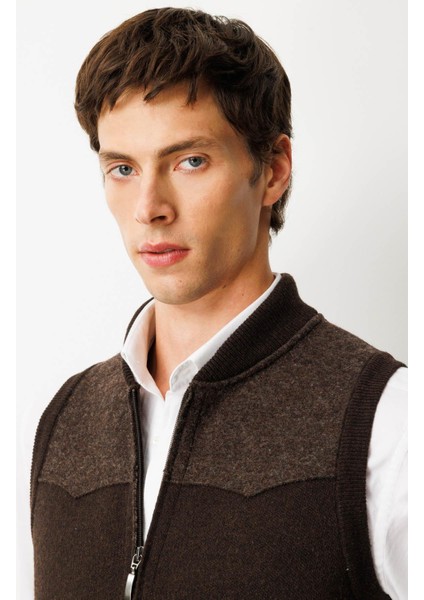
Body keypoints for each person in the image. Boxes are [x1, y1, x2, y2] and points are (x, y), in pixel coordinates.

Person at [30, 7, 407, 600]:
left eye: (190, 161)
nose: (149, 208)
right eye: (123, 168)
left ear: (274, 170)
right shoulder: (65, 421)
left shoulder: (388, 422)